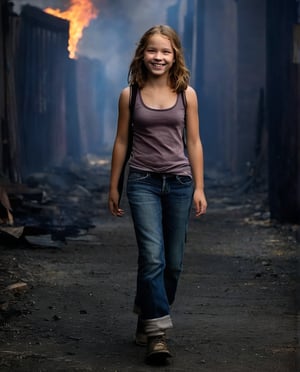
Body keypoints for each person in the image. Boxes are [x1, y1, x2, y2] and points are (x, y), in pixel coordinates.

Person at [108, 24, 207, 365]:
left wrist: (199, 186)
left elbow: (193, 142)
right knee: (153, 257)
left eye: (166, 51)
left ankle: (146, 313)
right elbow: (122, 142)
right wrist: (114, 186)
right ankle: (158, 334)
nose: (159, 57)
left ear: (175, 55)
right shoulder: (130, 95)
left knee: (173, 264)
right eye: (153, 50)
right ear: (142, 53)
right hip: (142, 183)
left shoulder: (186, 94)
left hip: (179, 184)